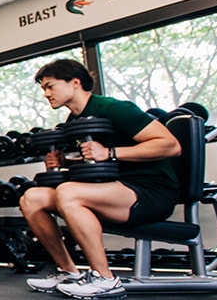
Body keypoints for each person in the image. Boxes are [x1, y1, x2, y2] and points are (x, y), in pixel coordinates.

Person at [20, 59, 180, 299]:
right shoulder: (73, 122)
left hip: (150, 192)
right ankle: (69, 272)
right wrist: (64, 162)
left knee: (68, 192)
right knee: (32, 198)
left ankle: (105, 279)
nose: (46, 94)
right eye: (43, 88)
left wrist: (111, 152)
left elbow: (170, 145)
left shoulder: (114, 108)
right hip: (112, 191)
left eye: (50, 86)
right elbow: (95, 164)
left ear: (75, 83)